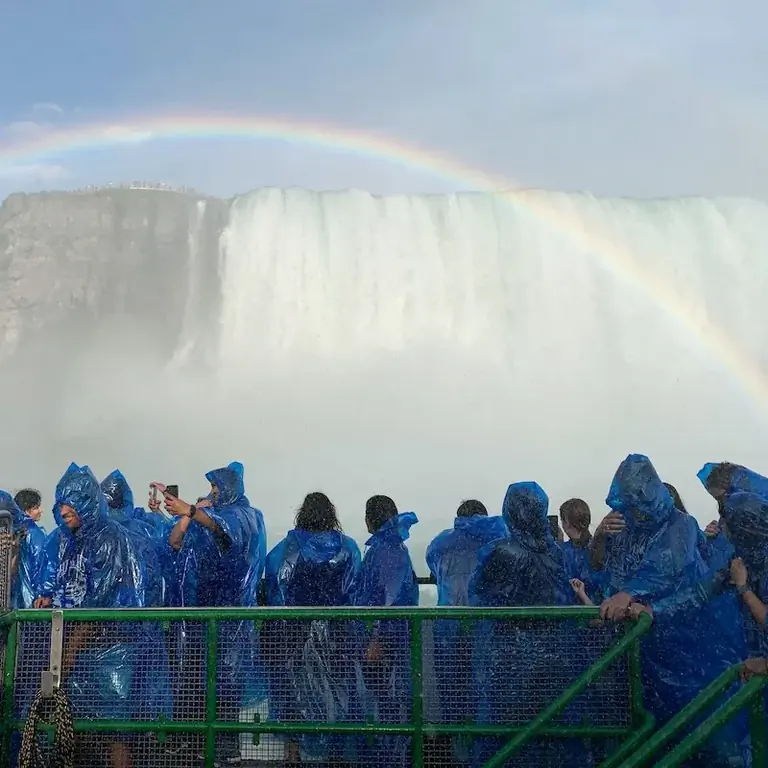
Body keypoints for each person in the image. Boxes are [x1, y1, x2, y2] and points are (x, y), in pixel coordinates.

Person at [599, 454, 747, 767]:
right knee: (662, 734)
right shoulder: (628, 532)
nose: (632, 510)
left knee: (704, 733)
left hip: (692, 649)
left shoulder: (682, 525)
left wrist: (631, 595)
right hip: (651, 653)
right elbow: (607, 574)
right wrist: (600, 538)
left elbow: (668, 569)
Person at [49, 463, 168, 768]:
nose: (63, 511)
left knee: (115, 734)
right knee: (87, 730)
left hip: (113, 650)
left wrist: (66, 656)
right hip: (96, 648)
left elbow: (97, 605)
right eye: (61, 504)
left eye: (71, 504)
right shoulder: (80, 539)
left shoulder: (105, 539)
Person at [154, 461, 266, 766]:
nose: (212, 494)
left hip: (229, 619)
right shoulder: (209, 516)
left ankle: (226, 751)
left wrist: (192, 511)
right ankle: (195, 745)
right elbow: (174, 542)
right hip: (201, 617)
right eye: (211, 489)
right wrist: (187, 515)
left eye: (217, 489)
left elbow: (223, 528)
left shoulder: (245, 516)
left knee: (225, 683)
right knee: (195, 680)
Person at [468, 482, 582, 767]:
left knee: (507, 737)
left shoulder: (501, 551)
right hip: (554, 657)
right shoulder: (555, 552)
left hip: (509, 659)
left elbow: (480, 597)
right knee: (548, 734)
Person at [264, 492, 361, 764]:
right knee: (337, 696)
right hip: (338, 634)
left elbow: (276, 587)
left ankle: (293, 756)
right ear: (331, 514)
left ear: (302, 514)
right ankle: (335, 756)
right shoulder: (348, 548)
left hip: (293, 634)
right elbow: (355, 593)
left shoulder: (288, 548)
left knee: (292, 694)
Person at [425, 499, 507, 758]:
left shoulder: (440, 543)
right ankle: (485, 753)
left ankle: (458, 753)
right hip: (484, 627)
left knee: (452, 690)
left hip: (448, 628)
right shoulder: (496, 538)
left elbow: (433, 568)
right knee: (486, 690)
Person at [353, 495, 419, 768]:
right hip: (391, 638)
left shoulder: (385, 549)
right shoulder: (392, 545)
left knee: (386, 703)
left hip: (385, 641)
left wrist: (376, 639)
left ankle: (389, 759)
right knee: (389, 702)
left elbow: (386, 599)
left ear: (371, 518)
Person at [5, 489, 52, 609]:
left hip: (11, 600)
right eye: (36, 507)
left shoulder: (10, 532)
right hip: (30, 601)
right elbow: (41, 565)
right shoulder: (35, 534)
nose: (40, 510)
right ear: (27, 510)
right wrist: (42, 593)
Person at [559, 498, 602, 602]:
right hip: (598, 610)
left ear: (567, 522)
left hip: (569, 614)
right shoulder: (599, 548)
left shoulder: (561, 551)